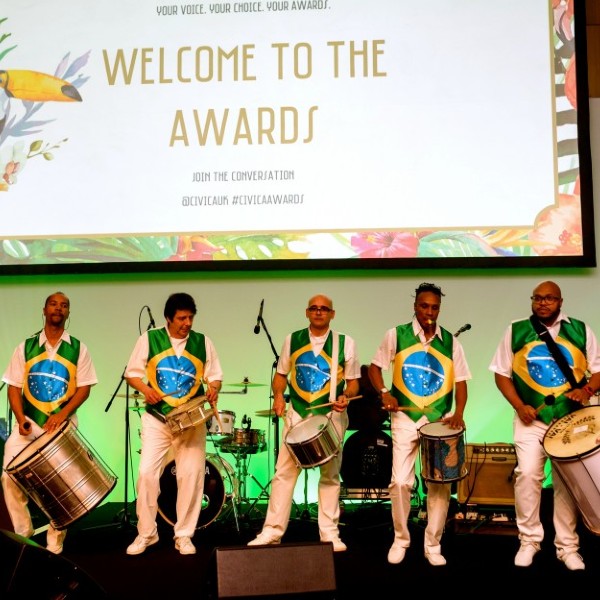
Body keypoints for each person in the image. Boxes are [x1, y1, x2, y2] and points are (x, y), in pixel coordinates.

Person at [489, 280, 600, 571]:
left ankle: (567, 547)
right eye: (537, 298)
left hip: (571, 420)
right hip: (532, 420)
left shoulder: (580, 329)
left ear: (560, 302)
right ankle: (529, 541)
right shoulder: (516, 329)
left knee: (566, 483)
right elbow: (501, 375)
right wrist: (519, 406)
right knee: (526, 474)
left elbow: (598, 371)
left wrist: (586, 391)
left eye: (549, 298)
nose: (543, 303)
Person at [248, 294, 360, 552]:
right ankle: (272, 532)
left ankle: (329, 534)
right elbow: (281, 376)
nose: (319, 312)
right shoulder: (293, 339)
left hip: (331, 416)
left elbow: (353, 382)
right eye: (314, 308)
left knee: (330, 475)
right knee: (284, 473)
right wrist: (278, 396)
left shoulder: (345, 343)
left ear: (332, 314)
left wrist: (347, 396)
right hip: (297, 413)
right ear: (307, 312)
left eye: (324, 309)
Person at [368, 282, 470, 566]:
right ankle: (401, 539)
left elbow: (461, 382)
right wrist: (384, 393)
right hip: (404, 417)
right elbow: (375, 368)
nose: (429, 311)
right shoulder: (396, 335)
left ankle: (433, 544)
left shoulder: (451, 341)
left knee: (439, 485)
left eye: (435, 307)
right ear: (415, 306)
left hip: (438, 420)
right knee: (400, 482)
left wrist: (459, 412)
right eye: (424, 306)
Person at [125, 292, 223, 556]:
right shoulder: (149, 339)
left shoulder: (203, 342)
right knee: (146, 474)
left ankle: (183, 534)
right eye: (181, 318)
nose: (187, 323)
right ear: (168, 318)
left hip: (190, 420)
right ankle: (147, 533)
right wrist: (146, 390)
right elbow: (132, 374)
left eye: (190, 317)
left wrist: (213, 388)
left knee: (190, 476)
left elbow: (215, 377)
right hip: (158, 417)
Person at [1, 291, 98, 555]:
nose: (59, 308)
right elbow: (13, 387)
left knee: (59, 488)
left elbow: (85, 388)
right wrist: (21, 420)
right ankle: (24, 531)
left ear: (68, 314)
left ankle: (55, 543)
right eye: (54, 304)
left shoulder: (79, 348)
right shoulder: (26, 346)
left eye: (64, 305)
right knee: (8, 474)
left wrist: (63, 414)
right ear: (44, 310)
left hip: (61, 428)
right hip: (29, 425)